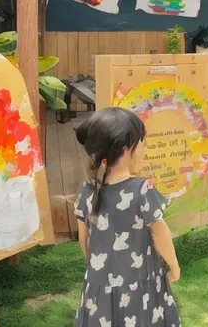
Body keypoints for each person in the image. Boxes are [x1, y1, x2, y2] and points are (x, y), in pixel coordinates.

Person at [73, 108, 180, 327]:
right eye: (142, 142)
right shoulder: (142, 189)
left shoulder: (87, 190)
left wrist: (97, 270)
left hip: (99, 283)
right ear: (126, 147)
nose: (144, 148)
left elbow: (83, 240)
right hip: (140, 284)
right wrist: (174, 265)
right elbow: (161, 235)